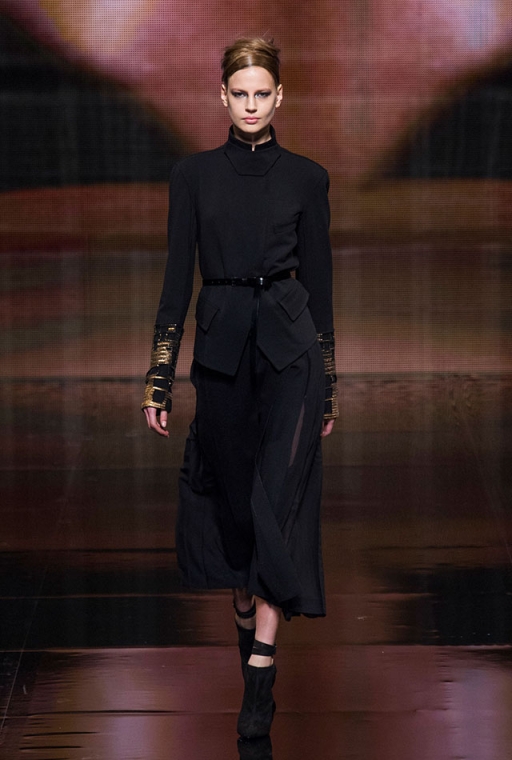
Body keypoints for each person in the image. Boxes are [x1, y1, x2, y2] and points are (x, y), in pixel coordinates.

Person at [142, 37, 338, 739]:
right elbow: (176, 280)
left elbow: (321, 286)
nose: (251, 106)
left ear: (280, 97)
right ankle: (247, 610)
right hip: (222, 349)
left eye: (262, 94)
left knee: (277, 501)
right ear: (221, 96)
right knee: (236, 502)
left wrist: (330, 385)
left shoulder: (308, 178)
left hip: (291, 353)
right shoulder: (192, 176)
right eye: (240, 94)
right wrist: (159, 376)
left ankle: (261, 668)